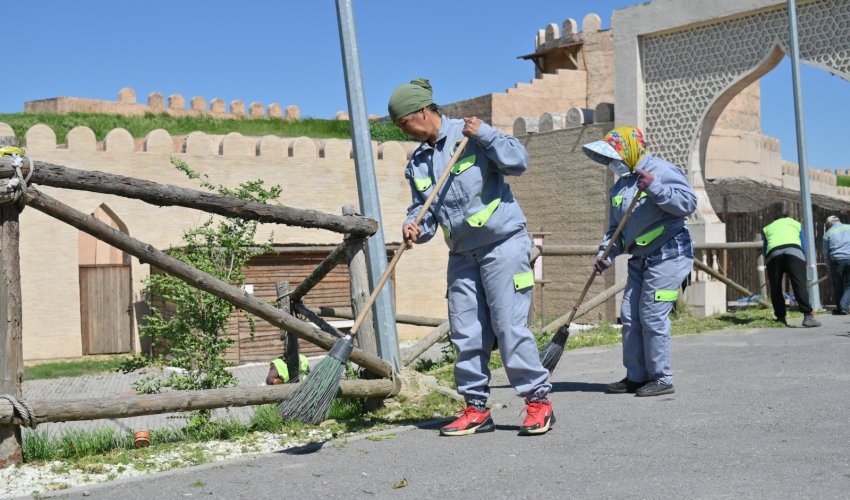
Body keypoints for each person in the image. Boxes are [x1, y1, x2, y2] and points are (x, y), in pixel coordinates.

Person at [388, 78, 553, 436]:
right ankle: (476, 408)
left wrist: (488, 135)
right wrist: (413, 226)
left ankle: (538, 402)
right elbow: (425, 211)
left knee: (510, 326)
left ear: (422, 112)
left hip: (503, 245)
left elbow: (518, 162)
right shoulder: (417, 163)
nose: (405, 132)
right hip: (462, 253)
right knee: (466, 332)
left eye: (405, 124)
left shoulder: (470, 136)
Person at [582, 126, 696, 397]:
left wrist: (655, 187)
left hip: (670, 254)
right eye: (609, 158)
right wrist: (605, 255)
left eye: (615, 155)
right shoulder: (620, 185)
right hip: (641, 259)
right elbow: (615, 231)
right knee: (631, 317)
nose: (613, 163)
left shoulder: (661, 170)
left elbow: (688, 203)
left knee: (653, 315)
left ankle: (661, 377)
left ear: (629, 149)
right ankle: (636, 376)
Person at [761, 214, 821, 327]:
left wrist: (769, 263)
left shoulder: (768, 227)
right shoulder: (796, 224)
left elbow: (765, 250)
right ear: (788, 218)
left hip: (773, 254)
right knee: (799, 284)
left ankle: (780, 318)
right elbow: (803, 246)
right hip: (794, 252)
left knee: (776, 287)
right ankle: (808, 316)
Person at [823, 215, 850, 315]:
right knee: (849, 285)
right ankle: (843, 307)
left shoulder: (828, 233)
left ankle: (841, 307)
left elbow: (826, 253)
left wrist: (829, 268)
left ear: (829, 223)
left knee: (838, 285)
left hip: (836, 261)